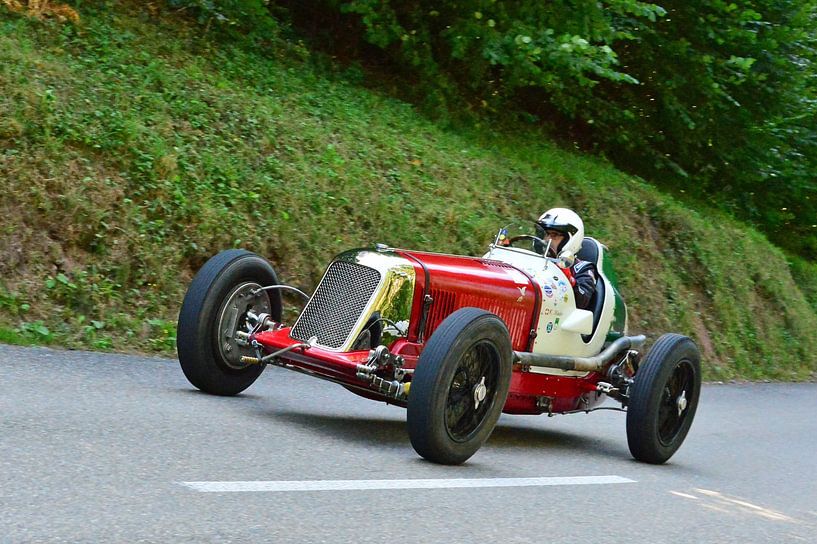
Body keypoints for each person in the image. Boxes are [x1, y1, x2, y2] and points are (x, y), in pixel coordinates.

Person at [536, 208, 597, 310]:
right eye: (546, 234)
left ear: (570, 239)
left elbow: (582, 300)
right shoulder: (535, 259)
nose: (547, 240)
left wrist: (568, 278)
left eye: (554, 235)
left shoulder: (583, 268)